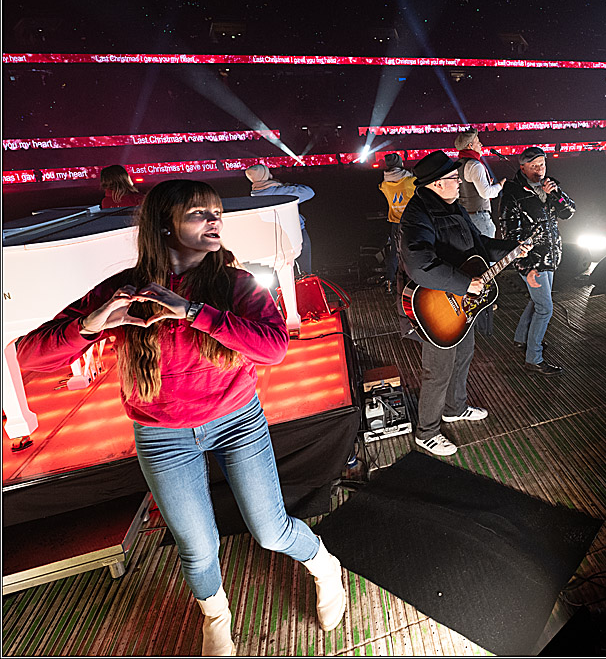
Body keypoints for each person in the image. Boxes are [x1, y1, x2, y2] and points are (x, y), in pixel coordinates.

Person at [16, 180, 346, 656]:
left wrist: (191, 310)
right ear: (163, 227)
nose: (214, 221)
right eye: (198, 214)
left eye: (216, 212)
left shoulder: (234, 284)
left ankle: (323, 565)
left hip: (237, 420)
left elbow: (274, 348)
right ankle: (216, 616)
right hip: (161, 434)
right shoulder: (124, 290)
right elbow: (30, 354)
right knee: (197, 545)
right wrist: (92, 324)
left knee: (271, 531)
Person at [398, 151, 528, 456]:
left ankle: (455, 408)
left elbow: (480, 246)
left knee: (464, 354)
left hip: (464, 302)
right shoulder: (417, 215)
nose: (459, 182)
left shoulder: (452, 205)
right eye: (455, 178)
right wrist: (464, 283)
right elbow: (418, 265)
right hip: (438, 306)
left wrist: (513, 248)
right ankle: (426, 432)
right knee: (438, 370)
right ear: (437, 184)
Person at [499, 147, 575, 376]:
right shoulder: (513, 192)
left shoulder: (550, 187)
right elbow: (510, 233)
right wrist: (526, 267)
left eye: (542, 164)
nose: (540, 170)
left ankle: (521, 339)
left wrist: (557, 193)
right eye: (534, 166)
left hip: (550, 256)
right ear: (522, 168)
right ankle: (534, 358)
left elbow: (569, 212)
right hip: (533, 260)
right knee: (545, 308)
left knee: (538, 301)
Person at [245, 164, 316, 276]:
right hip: (296, 233)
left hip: (275, 238)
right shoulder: (279, 192)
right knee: (306, 272)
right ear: (265, 176)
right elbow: (309, 192)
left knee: (283, 273)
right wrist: (288, 186)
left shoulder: (255, 196)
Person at [454, 128, 505, 237]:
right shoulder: (475, 165)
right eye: (478, 142)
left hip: (465, 217)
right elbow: (486, 193)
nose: (481, 144)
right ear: (470, 146)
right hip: (479, 218)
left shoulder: (459, 164)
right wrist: (500, 185)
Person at [378, 153, 416, 294]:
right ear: (400, 163)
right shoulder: (410, 181)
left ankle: (389, 281)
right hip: (410, 221)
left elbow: (382, 187)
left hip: (395, 221)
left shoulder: (385, 184)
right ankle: (414, 280)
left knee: (394, 252)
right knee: (412, 250)